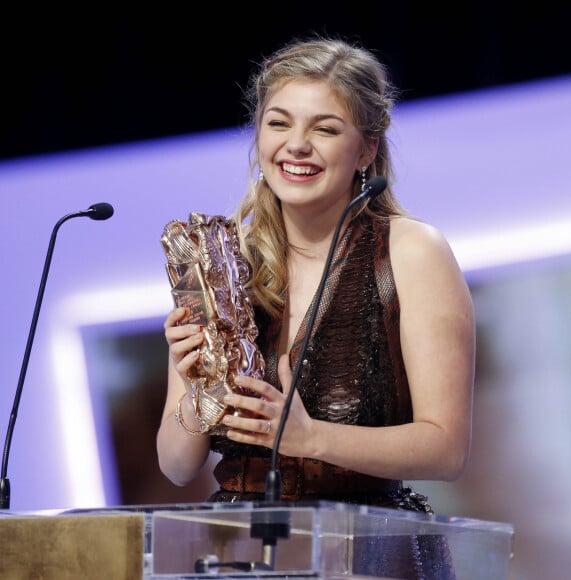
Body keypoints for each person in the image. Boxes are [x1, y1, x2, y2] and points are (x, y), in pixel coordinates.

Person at [157, 35, 475, 578]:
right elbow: (178, 465)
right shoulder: (223, 263)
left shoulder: (410, 250)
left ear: (368, 149)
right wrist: (194, 389)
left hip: (368, 551)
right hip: (239, 551)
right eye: (278, 124)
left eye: (324, 129)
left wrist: (311, 438)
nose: (296, 145)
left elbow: (445, 448)